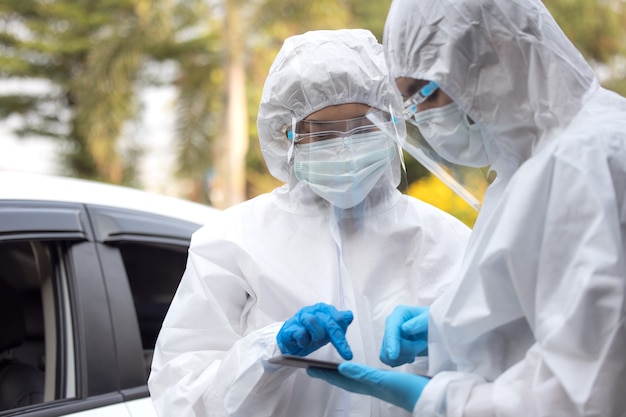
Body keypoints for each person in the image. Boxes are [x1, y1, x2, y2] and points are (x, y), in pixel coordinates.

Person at [308, 0, 626, 416]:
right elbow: (539, 316)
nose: (419, 116)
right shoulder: (528, 166)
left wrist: (439, 400)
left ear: (495, 53)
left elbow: (586, 394)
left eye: (424, 93)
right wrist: (445, 329)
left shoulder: (588, 161)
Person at [147, 29, 471, 417]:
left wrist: (447, 346)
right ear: (286, 136)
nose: (347, 147)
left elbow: (500, 376)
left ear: (393, 122)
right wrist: (270, 350)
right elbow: (180, 396)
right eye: (324, 133)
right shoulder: (231, 243)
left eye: (364, 127)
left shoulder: (448, 239)